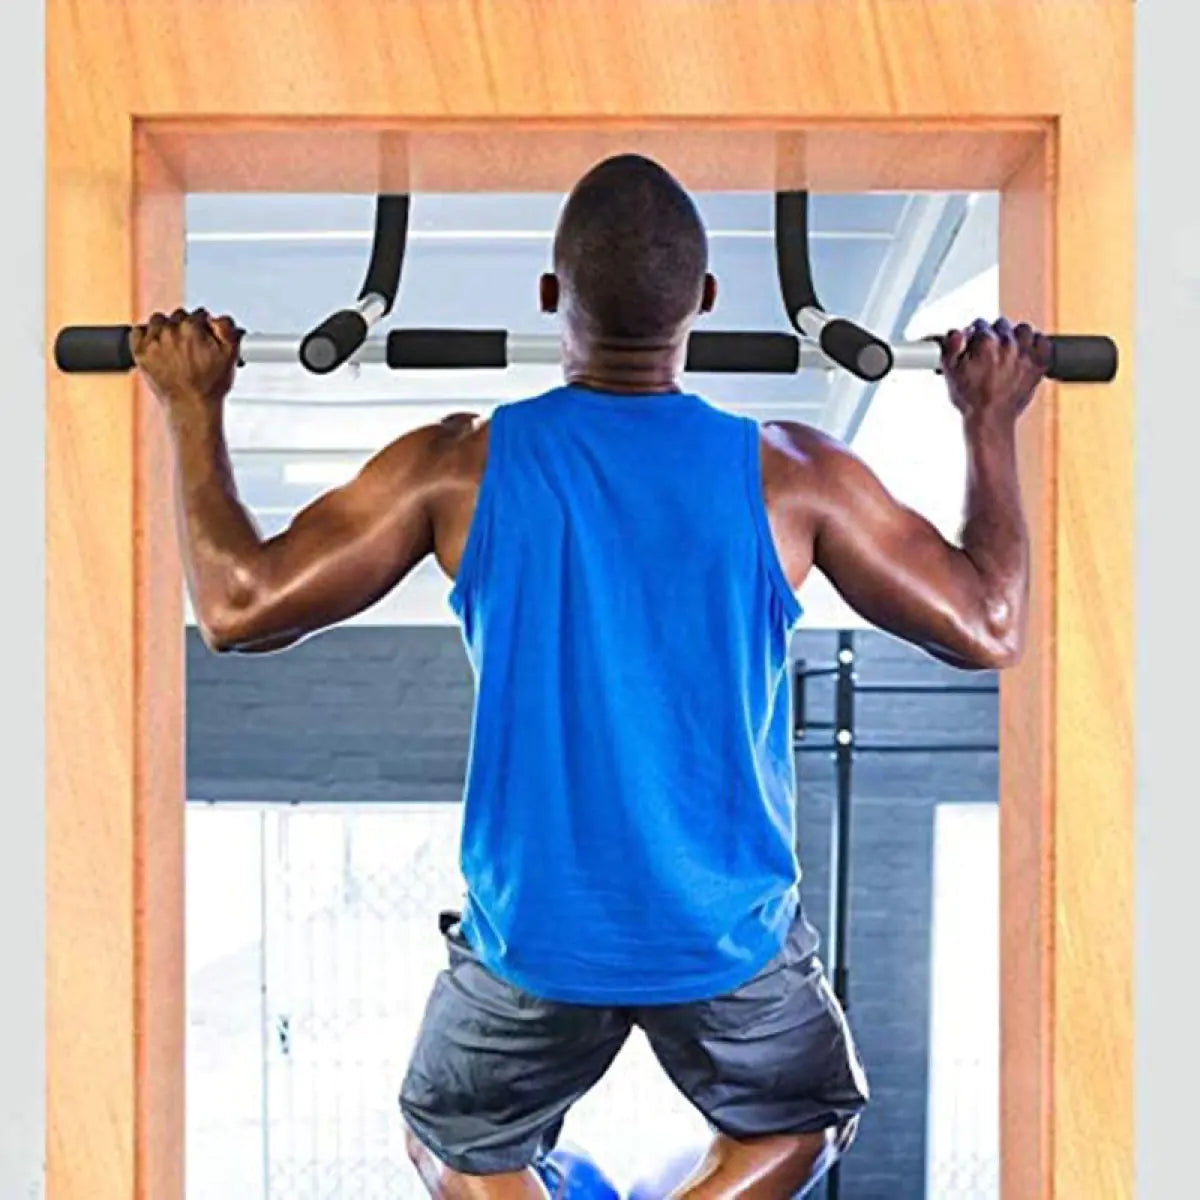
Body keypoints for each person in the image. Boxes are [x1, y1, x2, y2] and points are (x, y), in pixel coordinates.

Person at [131, 154, 1049, 1199]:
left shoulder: (456, 467)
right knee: (802, 1122)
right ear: (704, 301)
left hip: (536, 941)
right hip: (725, 938)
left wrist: (192, 403)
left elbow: (239, 606)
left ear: (549, 294)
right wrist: (989, 421)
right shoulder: (789, 476)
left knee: (454, 1140)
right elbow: (990, 621)